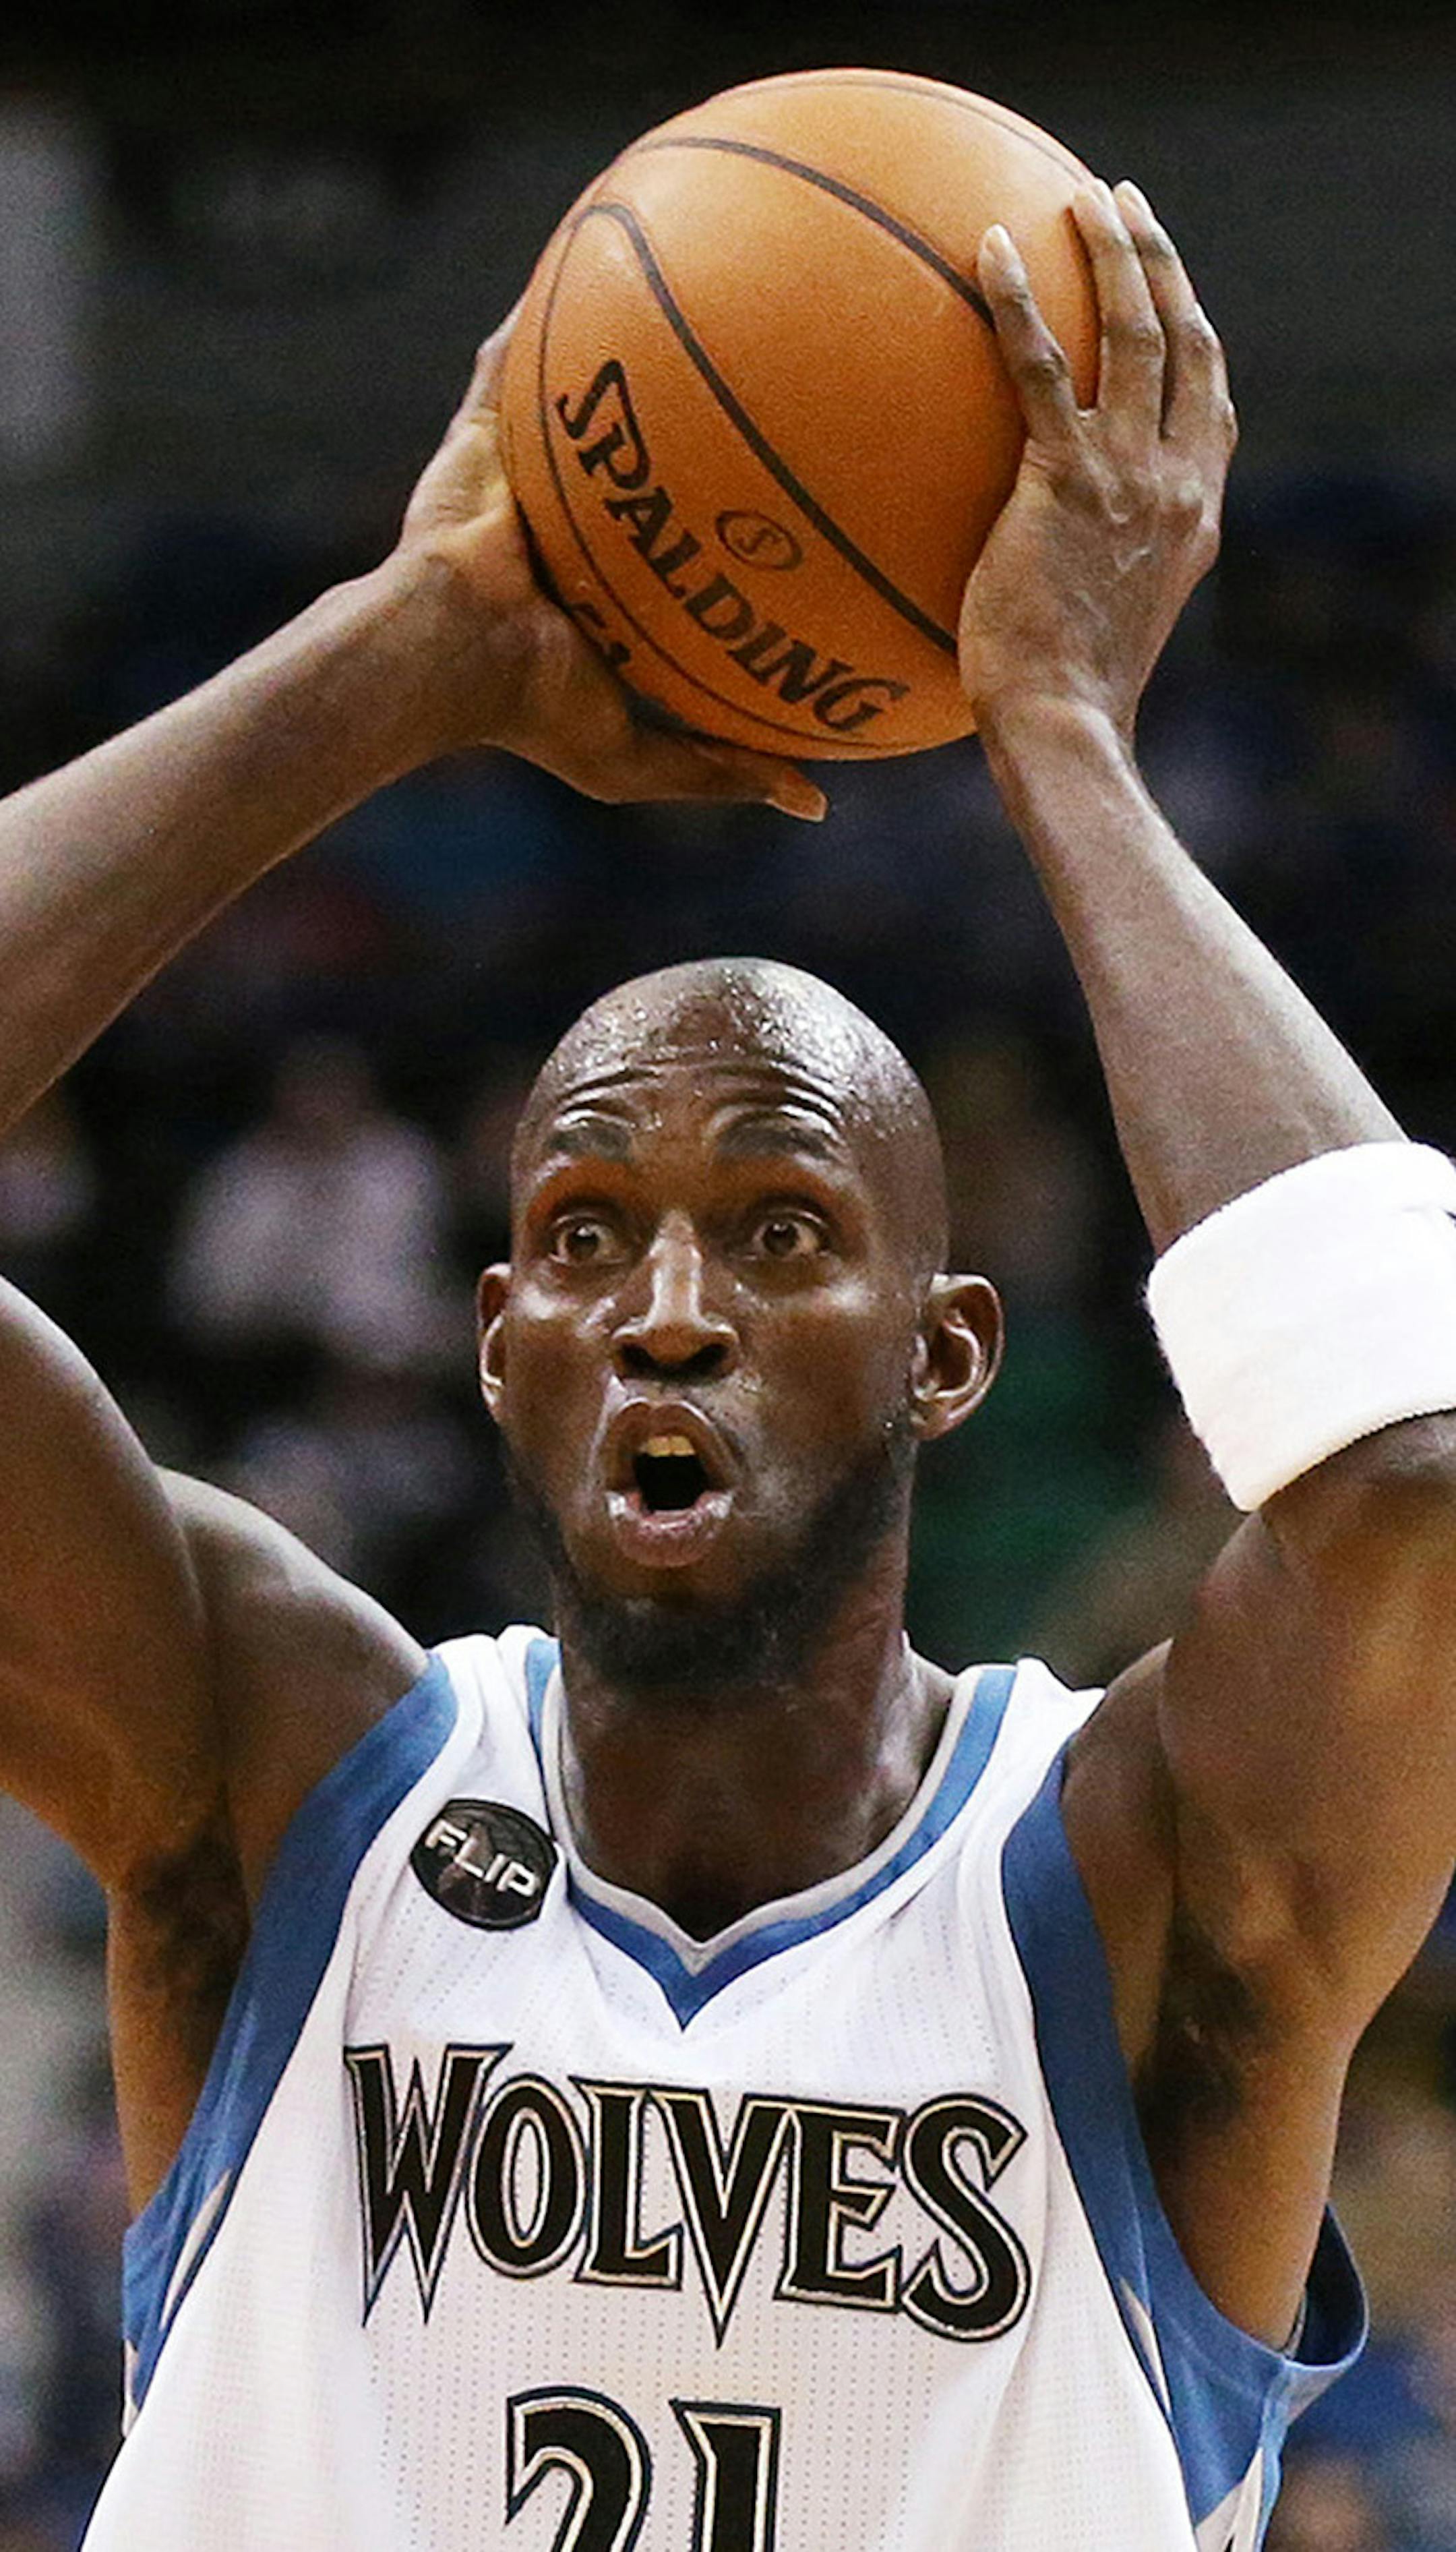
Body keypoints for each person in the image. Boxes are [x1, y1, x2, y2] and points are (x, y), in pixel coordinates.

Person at [0, 173, 1452, 2552]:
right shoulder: (279, 1785)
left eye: (780, 1230)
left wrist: (1062, 736)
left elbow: (1412, 1471)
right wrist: (397, 650)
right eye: (584, 1234)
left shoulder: (1136, 1872)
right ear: (499, 1346)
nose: (666, 1301)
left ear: (945, 1352)